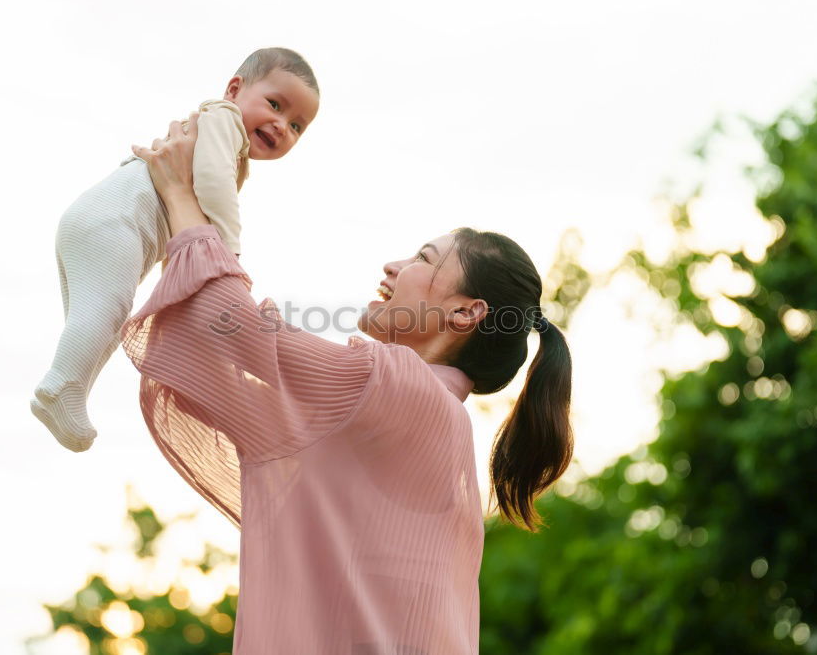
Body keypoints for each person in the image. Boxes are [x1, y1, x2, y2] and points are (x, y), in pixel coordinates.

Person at [123, 118, 573, 654]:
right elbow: (214, 345)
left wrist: (178, 191)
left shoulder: (400, 390)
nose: (393, 265)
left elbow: (232, 328)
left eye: (423, 259)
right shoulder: (404, 417)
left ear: (464, 312)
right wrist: (206, 217)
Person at [31, 47, 319, 452]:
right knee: (107, 312)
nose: (281, 124)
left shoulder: (228, 142)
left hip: (102, 222)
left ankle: (70, 392)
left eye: (296, 125)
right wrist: (227, 251)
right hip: (116, 222)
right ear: (234, 89)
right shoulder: (224, 119)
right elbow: (212, 183)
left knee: (105, 322)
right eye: (274, 104)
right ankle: (60, 384)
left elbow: (184, 221)